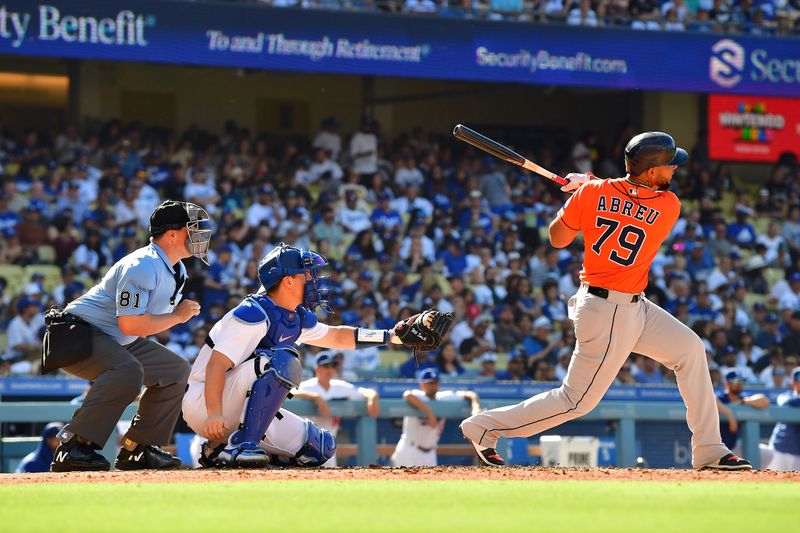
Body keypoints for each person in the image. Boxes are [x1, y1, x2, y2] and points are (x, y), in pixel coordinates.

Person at [461, 132, 752, 470]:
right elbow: (631, 199)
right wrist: (590, 186)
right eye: (669, 165)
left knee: (689, 349)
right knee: (575, 401)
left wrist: (581, 195)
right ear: (651, 172)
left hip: (630, 306)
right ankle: (483, 427)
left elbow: (558, 238)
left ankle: (709, 449)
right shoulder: (668, 206)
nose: (674, 170)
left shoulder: (593, 193)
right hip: (608, 311)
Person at [181, 242, 425, 468]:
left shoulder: (293, 315)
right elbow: (216, 366)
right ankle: (243, 445)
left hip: (238, 407)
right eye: (306, 274)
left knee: (319, 447)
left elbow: (337, 337)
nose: (312, 280)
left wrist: (392, 335)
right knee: (282, 360)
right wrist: (214, 412)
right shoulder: (252, 313)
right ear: (287, 280)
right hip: (205, 401)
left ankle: (221, 450)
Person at [48, 200, 212, 472]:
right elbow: (131, 325)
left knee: (175, 370)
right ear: (172, 234)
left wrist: (174, 317)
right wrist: (177, 317)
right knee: (128, 371)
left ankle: (139, 449)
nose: (198, 235)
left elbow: (135, 327)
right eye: (191, 229)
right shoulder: (142, 265)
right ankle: (74, 445)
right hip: (74, 334)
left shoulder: (177, 269)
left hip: (110, 338)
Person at [291, 351, 380, 467]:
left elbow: (361, 391)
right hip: (306, 445)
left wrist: (372, 396)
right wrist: (315, 397)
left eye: (333, 366)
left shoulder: (339, 386)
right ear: (316, 368)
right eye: (326, 366)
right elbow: (290, 392)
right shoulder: (308, 385)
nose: (330, 369)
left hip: (328, 447)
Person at [391, 368, 480, 467]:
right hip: (409, 449)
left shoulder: (444, 397)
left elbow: (470, 394)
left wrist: (475, 407)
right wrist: (429, 412)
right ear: (422, 385)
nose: (432, 386)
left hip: (430, 453)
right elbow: (407, 395)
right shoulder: (418, 395)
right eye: (429, 383)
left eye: (435, 382)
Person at [715, 369, 769, 455]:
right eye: (736, 381)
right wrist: (729, 414)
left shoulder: (742, 398)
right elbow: (712, 399)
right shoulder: (721, 397)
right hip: (717, 446)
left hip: (733, 446)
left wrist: (743, 401)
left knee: (768, 453)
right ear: (727, 383)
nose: (740, 384)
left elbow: (765, 401)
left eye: (741, 381)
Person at [764, 367, 800, 471]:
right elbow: (784, 401)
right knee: (770, 481)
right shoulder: (786, 396)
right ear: (793, 383)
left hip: (798, 453)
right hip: (780, 448)